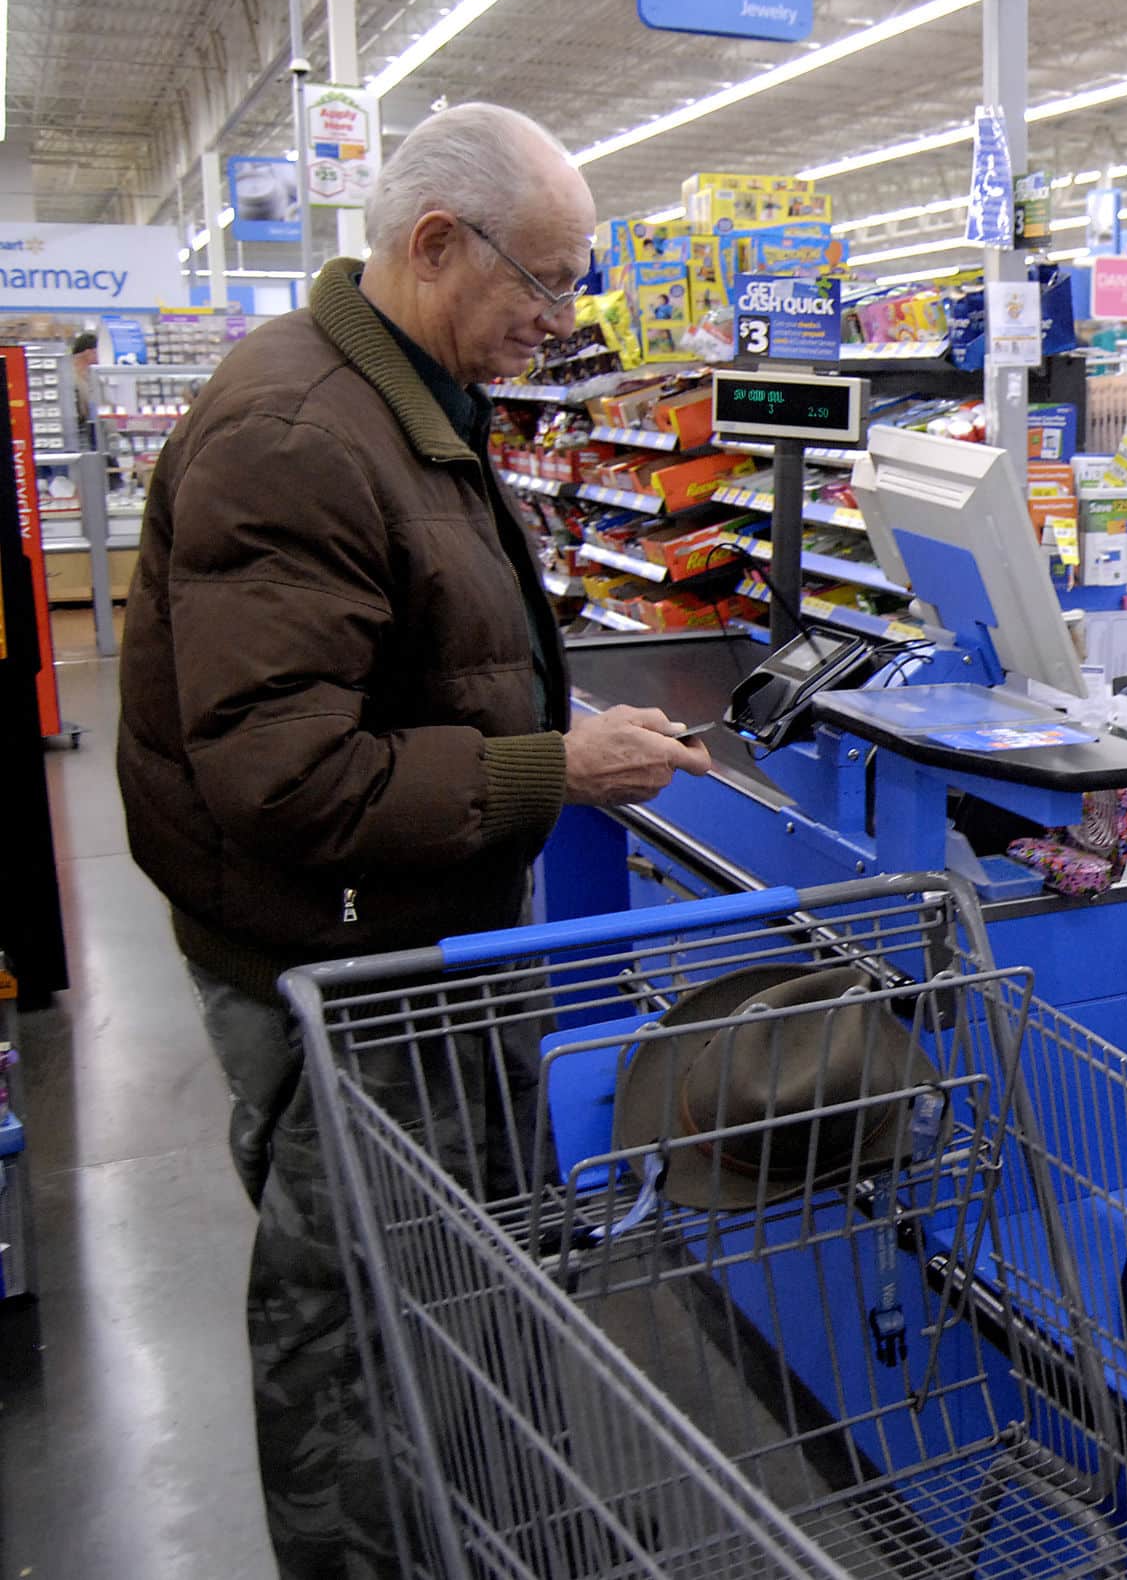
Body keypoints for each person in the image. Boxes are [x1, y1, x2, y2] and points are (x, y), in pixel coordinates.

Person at [116, 102, 714, 1578]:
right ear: (434, 243)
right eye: (548, 282)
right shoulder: (296, 433)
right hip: (334, 962)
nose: (560, 323)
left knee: (458, 1276)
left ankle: (489, 1533)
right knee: (355, 1337)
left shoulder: (403, 399)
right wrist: (552, 766)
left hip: (419, 941)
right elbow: (283, 778)